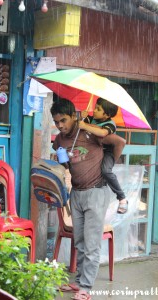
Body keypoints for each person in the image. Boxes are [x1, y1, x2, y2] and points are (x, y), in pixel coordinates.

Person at [50, 97, 125, 299]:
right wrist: (62, 162)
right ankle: (79, 281)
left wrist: (108, 166)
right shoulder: (60, 139)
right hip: (77, 193)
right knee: (79, 241)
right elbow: (65, 162)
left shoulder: (90, 132)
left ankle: (86, 288)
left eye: (63, 120)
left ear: (74, 117)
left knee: (91, 243)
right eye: (57, 122)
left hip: (96, 192)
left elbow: (120, 142)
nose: (60, 125)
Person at [79, 97, 128, 214]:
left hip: (107, 152)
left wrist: (85, 125)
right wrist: (82, 117)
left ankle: (122, 198)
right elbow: (80, 126)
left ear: (106, 114)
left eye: (98, 109)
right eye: (95, 107)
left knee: (106, 171)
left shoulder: (110, 124)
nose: (94, 110)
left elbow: (102, 133)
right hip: (94, 150)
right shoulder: (90, 119)